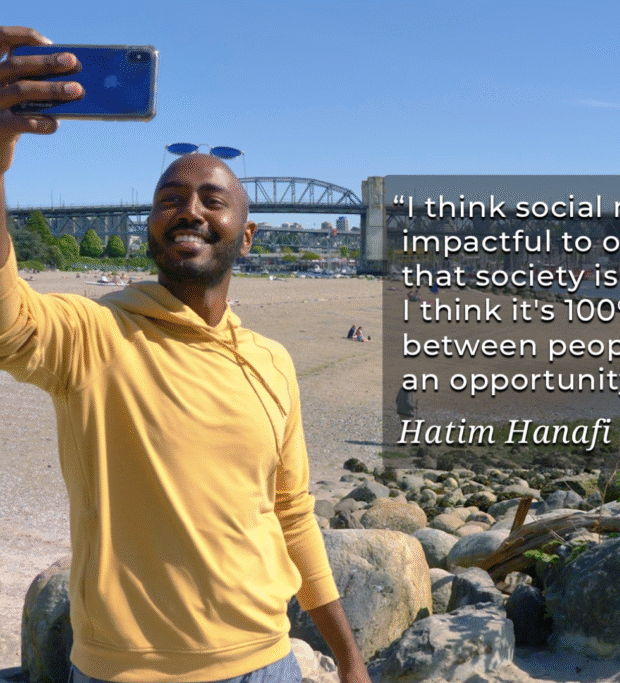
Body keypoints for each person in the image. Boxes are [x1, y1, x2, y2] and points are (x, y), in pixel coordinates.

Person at [0, 27, 369, 683]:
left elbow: (292, 513)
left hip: (267, 661)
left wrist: (347, 656)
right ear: (150, 228)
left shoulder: (272, 362)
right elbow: (9, 321)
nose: (188, 209)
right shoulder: (94, 335)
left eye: (211, 199)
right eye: (169, 199)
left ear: (247, 235)